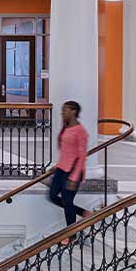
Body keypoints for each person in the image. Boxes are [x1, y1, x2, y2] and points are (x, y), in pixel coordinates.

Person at [50, 100, 90, 233]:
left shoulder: (81, 132)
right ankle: (84, 212)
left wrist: (74, 177)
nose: (62, 112)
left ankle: (72, 235)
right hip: (61, 169)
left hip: (73, 171)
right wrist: (56, 166)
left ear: (74, 111)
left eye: (65, 110)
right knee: (52, 196)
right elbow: (66, 151)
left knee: (67, 202)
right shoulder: (66, 127)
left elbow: (82, 156)